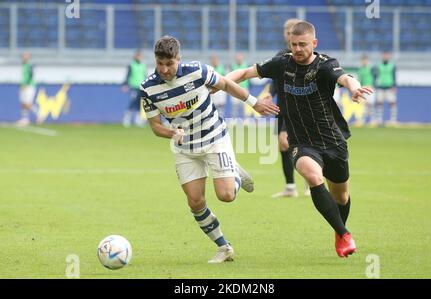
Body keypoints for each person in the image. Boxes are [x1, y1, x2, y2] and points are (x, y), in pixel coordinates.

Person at [225, 21, 373, 258]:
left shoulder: (325, 65)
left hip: (332, 140)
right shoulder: (282, 63)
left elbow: (346, 78)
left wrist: (354, 88)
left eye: (303, 45)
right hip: (301, 141)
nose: (297, 49)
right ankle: (345, 235)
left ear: (314, 43)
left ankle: (338, 231)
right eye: (293, 44)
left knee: (341, 196)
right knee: (313, 176)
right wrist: (220, 81)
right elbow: (244, 73)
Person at [140, 36, 279, 263]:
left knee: (226, 196)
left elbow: (225, 84)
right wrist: (172, 133)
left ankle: (233, 171)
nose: (164, 69)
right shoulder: (148, 87)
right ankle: (224, 247)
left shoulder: (197, 71)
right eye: (160, 64)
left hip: (214, 138)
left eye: (170, 64)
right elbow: (156, 126)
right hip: (185, 148)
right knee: (195, 201)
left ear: (179, 59)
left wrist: (254, 103)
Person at [269, 18, 311, 199]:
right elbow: (274, 80)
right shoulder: (281, 56)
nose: (287, 34)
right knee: (283, 145)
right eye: (286, 31)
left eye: (291, 30)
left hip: (300, 109)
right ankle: (290, 186)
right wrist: (270, 94)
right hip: (282, 108)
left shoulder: (305, 57)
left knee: (303, 145)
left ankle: (310, 184)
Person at [122, 50, 148, 127]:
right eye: (138, 56)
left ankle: (138, 119)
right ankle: (127, 118)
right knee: (133, 102)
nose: (139, 58)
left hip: (141, 87)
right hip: (133, 87)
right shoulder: (131, 65)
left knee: (140, 103)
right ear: (135, 57)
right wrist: (125, 85)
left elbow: (145, 76)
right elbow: (128, 75)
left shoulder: (143, 65)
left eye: (140, 56)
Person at [373, 52, 397, 125]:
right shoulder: (378, 66)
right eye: (384, 56)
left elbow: (394, 76)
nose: (385, 57)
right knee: (379, 103)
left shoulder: (392, 66)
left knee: (392, 103)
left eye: (387, 56)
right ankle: (379, 120)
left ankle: (393, 120)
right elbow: (376, 76)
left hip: (389, 86)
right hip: (381, 86)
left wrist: (394, 86)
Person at [16, 52, 38, 126]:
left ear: (28, 57)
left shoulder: (29, 65)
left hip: (29, 86)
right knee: (23, 103)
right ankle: (25, 119)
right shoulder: (23, 65)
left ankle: (39, 113)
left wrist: (26, 84)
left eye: (25, 56)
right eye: (23, 56)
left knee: (28, 103)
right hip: (23, 86)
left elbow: (31, 76)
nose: (23, 57)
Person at [357, 55, 376, 125]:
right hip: (363, 88)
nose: (364, 62)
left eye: (365, 60)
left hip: (370, 87)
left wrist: (373, 85)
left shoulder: (371, 68)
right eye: (363, 60)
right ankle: (363, 120)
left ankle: (372, 120)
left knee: (371, 104)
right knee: (364, 104)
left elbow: (375, 77)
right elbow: (359, 80)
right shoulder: (360, 70)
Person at [230, 52, 250, 119]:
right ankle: (234, 120)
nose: (239, 59)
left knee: (245, 106)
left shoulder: (246, 65)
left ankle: (246, 120)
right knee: (234, 106)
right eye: (237, 57)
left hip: (244, 88)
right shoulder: (232, 66)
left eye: (240, 57)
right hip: (234, 88)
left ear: (242, 58)